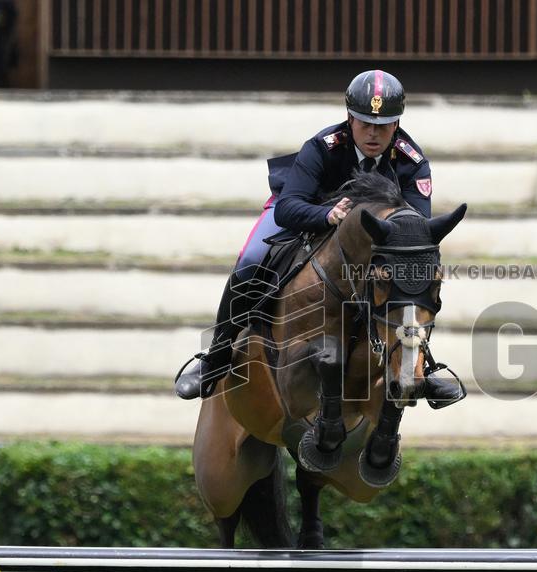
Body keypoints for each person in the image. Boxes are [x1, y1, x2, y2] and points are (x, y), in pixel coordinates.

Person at [175, 69, 461, 406]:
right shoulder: (323, 147)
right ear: (349, 118)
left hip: (372, 242)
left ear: (396, 124)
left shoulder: (411, 161)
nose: (373, 133)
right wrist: (326, 215)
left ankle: (422, 368)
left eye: (383, 125)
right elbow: (287, 208)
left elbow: (413, 229)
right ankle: (217, 356)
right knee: (251, 259)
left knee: (414, 276)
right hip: (306, 214)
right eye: (364, 123)